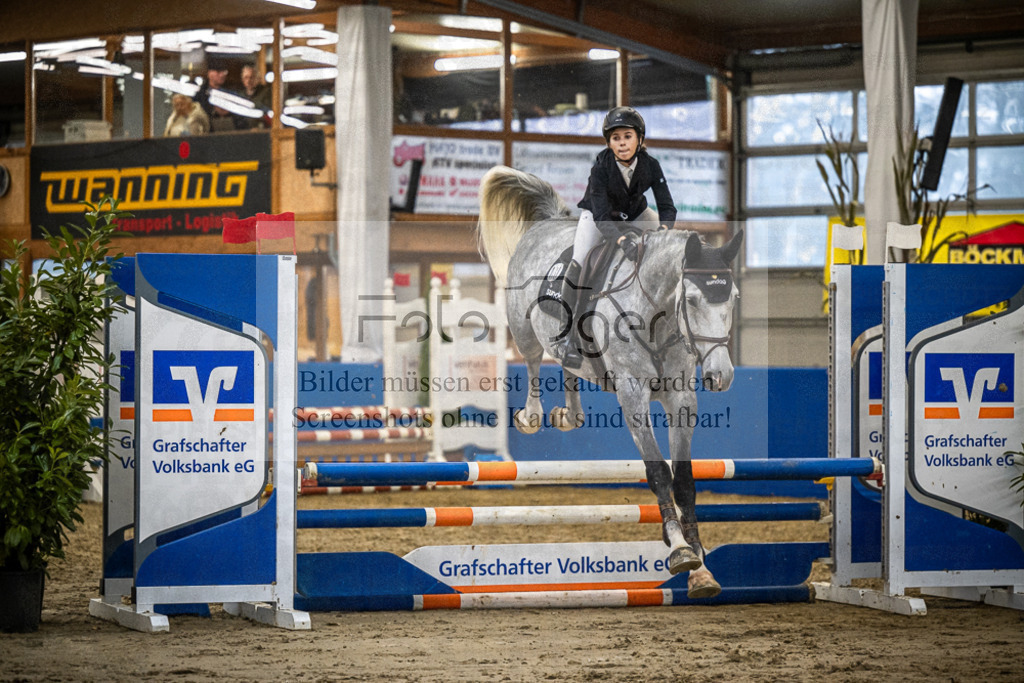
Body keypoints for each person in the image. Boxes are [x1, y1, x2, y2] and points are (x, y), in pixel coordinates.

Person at [556, 106, 677, 368]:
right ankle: (568, 335)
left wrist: (664, 233)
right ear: (609, 142)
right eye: (616, 138)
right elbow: (602, 217)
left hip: (636, 213)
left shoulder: (651, 165)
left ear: (639, 139)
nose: (622, 143)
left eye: (627, 136)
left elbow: (668, 208)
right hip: (598, 217)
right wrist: (622, 241)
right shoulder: (600, 168)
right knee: (579, 260)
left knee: (666, 251)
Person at [194, 60, 234, 132]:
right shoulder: (200, 94)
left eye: (224, 72)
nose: (222, 75)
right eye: (218, 72)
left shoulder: (230, 92)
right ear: (209, 73)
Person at [235, 64, 272, 129]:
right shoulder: (240, 95)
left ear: (258, 78)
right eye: (246, 77)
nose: (248, 81)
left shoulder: (266, 92)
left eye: (251, 77)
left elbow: (266, 113)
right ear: (242, 79)